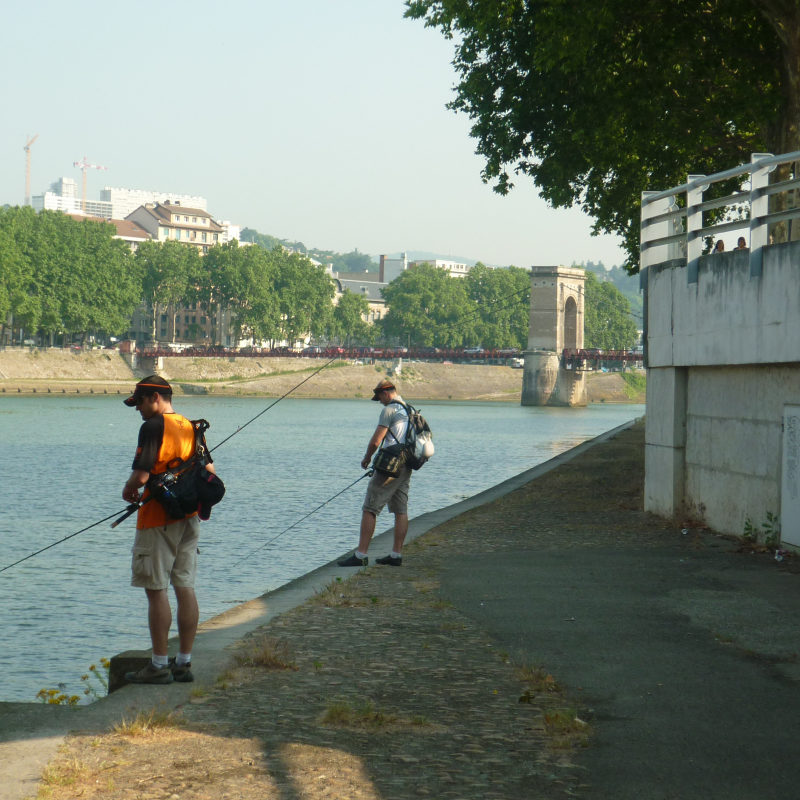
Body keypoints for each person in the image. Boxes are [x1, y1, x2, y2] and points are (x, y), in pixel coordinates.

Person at [121, 376, 216, 685]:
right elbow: (209, 472)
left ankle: (159, 664)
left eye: (140, 402)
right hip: (189, 517)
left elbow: (141, 475)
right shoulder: (191, 426)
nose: (138, 410)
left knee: (156, 589)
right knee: (184, 586)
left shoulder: (153, 426)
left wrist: (128, 490)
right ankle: (183, 662)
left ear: (156, 398)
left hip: (157, 518)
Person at [338, 379, 411, 568]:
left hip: (390, 465)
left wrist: (367, 458)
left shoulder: (390, 410)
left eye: (379, 397)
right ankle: (396, 555)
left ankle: (361, 554)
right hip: (406, 464)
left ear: (385, 393)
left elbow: (376, 441)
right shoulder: (408, 409)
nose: (379, 401)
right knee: (400, 509)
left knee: (370, 507)